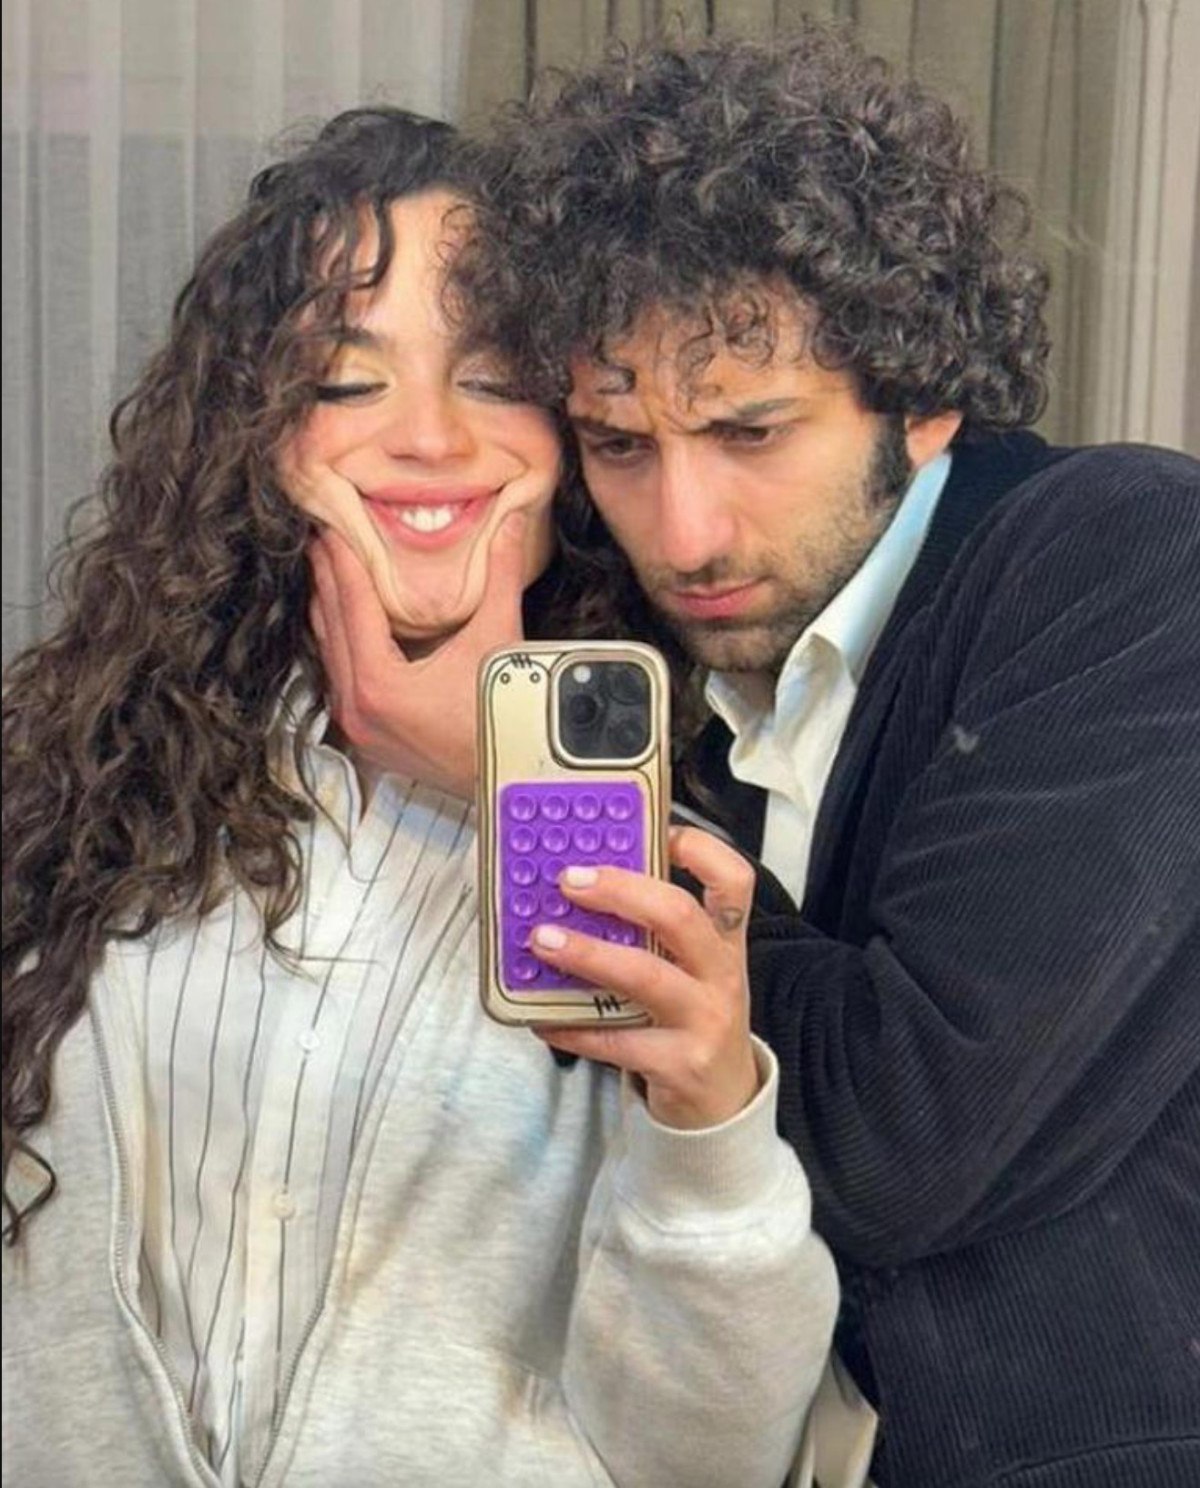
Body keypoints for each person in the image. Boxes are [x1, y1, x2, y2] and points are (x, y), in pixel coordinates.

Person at [309, 29, 1200, 1488]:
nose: (687, 533)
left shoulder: (1128, 557)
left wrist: (521, 785)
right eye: (620, 443)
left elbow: (903, 1133)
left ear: (924, 395)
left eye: (753, 432)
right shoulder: (627, 656)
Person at [0, 106, 839, 1488]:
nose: (431, 439)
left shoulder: (668, 840)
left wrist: (708, 1121)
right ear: (257, 433)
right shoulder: (80, 790)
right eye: (345, 379)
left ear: (575, 436)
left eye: (496, 375)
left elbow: (708, 1457)